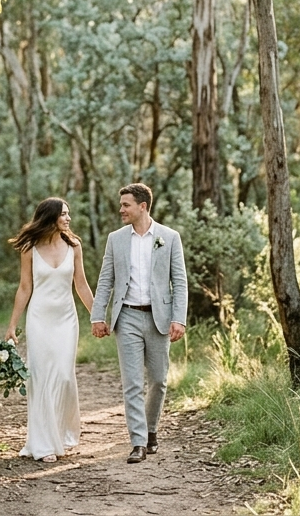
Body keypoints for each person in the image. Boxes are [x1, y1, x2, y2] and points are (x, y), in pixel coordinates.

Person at [90, 182, 188, 464]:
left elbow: (179, 282)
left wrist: (178, 318)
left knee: (158, 380)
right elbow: (105, 279)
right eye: (121, 205)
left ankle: (151, 429)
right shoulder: (115, 239)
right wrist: (98, 315)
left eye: (126, 205)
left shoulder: (169, 237)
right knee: (132, 383)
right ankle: (138, 442)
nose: (121, 209)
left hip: (159, 317)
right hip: (128, 316)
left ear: (142, 206)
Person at [5, 197, 95, 463]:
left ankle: (61, 432)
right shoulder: (30, 247)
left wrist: (98, 317)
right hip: (39, 319)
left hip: (66, 320)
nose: (68, 218)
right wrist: (12, 324)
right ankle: (44, 443)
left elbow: (81, 285)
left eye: (69, 213)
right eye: (64, 214)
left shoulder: (74, 246)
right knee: (41, 377)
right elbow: (24, 287)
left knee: (65, 377)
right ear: (50, 217)